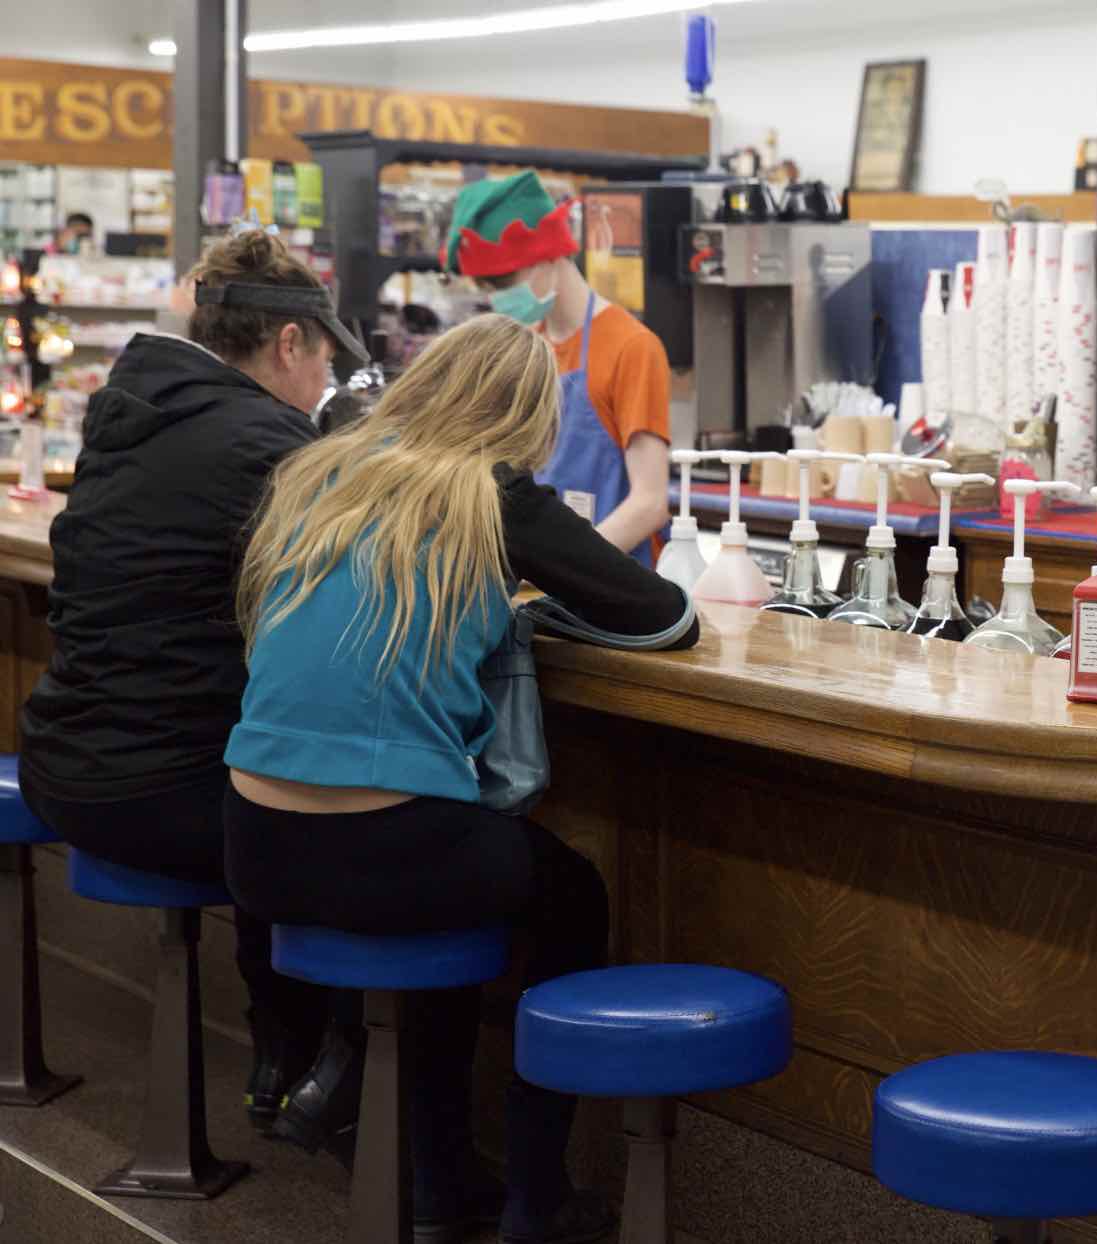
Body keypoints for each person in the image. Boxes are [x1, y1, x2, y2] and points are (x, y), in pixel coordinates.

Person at [222, 313, 697, 1244]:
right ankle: (535, 1196)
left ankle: (438, 1181)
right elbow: (664, 617)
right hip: (389, 844)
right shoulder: (491, 493)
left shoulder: (321, 471)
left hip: (252, 846)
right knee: (565, 892)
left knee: (447, 873)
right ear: (525, 416)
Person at [17, 228, 368, 1141]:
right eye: (322, 359)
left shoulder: (126, 409)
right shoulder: (267, 440)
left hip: (66, 759)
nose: (322, 383)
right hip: (159, 790)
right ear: (288, 344)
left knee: (255, 778)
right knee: (314, 807)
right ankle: (340, 1081)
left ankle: (276, 1061)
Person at [445, 171, 672, 564]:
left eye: (503, 282)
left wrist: (570, 570)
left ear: (549, 255)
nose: (496, 298)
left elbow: (649, 503)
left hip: (619, 583)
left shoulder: (632, 348)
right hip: (543, 581)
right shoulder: (525, 350)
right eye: (486, 288)